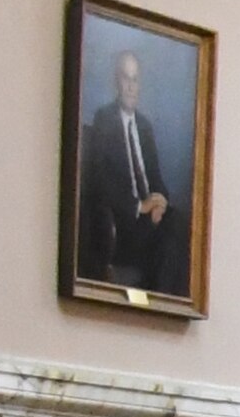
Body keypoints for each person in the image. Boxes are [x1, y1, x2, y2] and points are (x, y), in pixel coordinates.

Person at [74, 43, 183, 299]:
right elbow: (98, 183)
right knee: (165, 240)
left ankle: (160, 302)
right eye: (126, 78)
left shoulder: (144, 126)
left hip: (149, 219)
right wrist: (139, 206)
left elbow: (156, 178)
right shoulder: (104, 119)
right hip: (123, 221)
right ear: (117, 82)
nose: (131, 86)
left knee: (178, 224)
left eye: (135, 80)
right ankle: (153, 303)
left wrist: (159, 203)